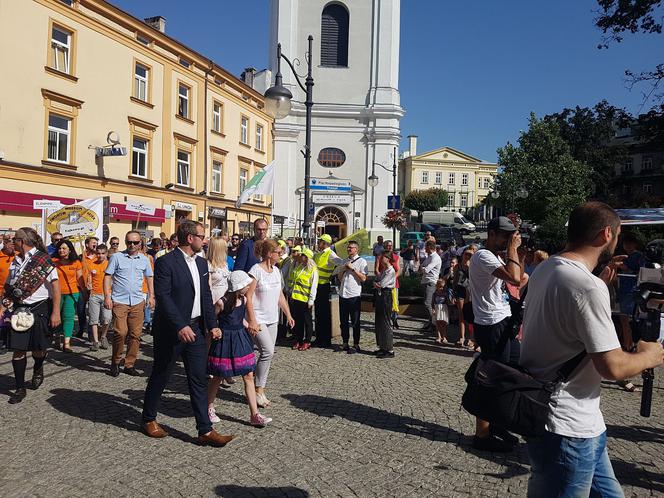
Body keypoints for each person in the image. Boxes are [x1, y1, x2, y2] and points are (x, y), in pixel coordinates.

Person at [520, 202, 664, 497]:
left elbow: (566, 324)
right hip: (567, 427)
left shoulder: (549, 268)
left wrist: (599, 282)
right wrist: (650, 355)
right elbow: (612, 367)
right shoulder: (586, 287)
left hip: (576, 421)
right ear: (606, 234)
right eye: (618, 235)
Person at [142, 220, 234, 447]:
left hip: (195, 328)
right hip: (172, 330)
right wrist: (180, 325)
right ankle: (148, 418)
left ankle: (205, 429)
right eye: (202, 236)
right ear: (190, 238)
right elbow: (164, 297)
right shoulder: (166, 262)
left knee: (198, 378)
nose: (205, 240)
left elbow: (205, 295)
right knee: (161, 374)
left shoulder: (202, 264)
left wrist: (212, 324)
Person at [468, 216, 522, 452]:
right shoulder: (483, 256)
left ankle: (498, 423)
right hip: (490, 323)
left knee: (511, 372)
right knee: (491, 378)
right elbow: (515, 277)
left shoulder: (496, 256)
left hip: (502, 319)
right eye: (504, 236)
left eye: (510, 236)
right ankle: (482, 434)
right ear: (491, 234)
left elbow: (518, 280)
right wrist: (513, 249)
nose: (508, 240)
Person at [207, 271, 272, 427]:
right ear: (238, 287)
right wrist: (215, 330)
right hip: (225, 340)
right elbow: (211, 320)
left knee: (248, 375)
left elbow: (239, 318)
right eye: (246, 285)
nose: (249, 287)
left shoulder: (242, 300)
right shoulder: (221, 303)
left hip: (240, 339)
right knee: (218, 376)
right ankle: (209, 407)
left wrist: (249, 326)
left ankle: (254, 414)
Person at [4, 228, 61, 404]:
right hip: (19, 309)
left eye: (15, 240)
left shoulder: (43, 260)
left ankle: (38, 367)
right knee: (18, 350)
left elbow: (56, 287)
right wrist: (3, 306)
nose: (12, 242)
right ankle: (20, 388)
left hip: (39, 309)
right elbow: (8, 287)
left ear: (23, 241)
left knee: (38, 349)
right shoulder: (15, 261)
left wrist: (56, 312)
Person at [248, 239, 294, 408]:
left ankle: (261, 388)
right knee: (267, 352)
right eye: (278, 251)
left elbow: (280, 295)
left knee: (269, 354)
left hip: (273, 318)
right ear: (269, 253)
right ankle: (257, 390)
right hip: (258, 319)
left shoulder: (276, 271)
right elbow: (249, 297)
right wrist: (252, 319)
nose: (281, 254)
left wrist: (288, 314)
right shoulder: (255, 271)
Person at [104, 231, 154, 377]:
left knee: (136, 334)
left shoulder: (145, 259)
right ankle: (116, 361)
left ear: (140, 244)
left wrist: (152, 296)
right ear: (125, 243)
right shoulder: (116, 257)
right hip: (119, 301)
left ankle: (129, 364)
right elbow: (107, 277)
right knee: (120, 332)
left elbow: (149, 278)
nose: (132, 245)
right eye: (129, 242)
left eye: (135, 242)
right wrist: (107, 296)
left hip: (138, 301)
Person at [331, 240, 368, 354]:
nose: (349, 249)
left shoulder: (362, 261)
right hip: (343, 293)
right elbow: (340, 278)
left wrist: (352, 269)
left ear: (356, 249)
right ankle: (345, 342)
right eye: (348, 248)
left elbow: (363, 278)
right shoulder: (345, 261)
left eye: (351, 248)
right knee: (343, 320)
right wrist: (343, 269)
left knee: (355, 321)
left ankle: (356, 344)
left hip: (354, 294)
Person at [54, 239, 85, 352]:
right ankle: (57, 337)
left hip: (72, 293)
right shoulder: (53, 261)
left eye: (64, 248)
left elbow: (79, 279)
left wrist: (85, 291)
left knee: (68, 317)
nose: (61, 250)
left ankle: (66, 343)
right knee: (57, 317)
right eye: (59, 248)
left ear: (69, 250)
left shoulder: (76, 262)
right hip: (56, 294)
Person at [289, 248, 318, 351]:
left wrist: (311, 300)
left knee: (307, 321)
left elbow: (314, 286)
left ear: (307, 258)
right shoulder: (300, 267)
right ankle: (299, 339)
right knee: (298, 320)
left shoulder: (313, 270)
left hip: (305, 299)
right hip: (296, 297)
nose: (300, 257)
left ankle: (307, 341)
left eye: (303, 255)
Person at [313, 234, 338, 347]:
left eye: (320, 242)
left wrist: (333, 274)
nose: (318, 243)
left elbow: (340, 263)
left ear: (325, 243)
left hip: (324, 286)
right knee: (318, 313)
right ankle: (319, 338)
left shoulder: (330, 253)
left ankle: (326, 339)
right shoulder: (319, 254)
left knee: (325, 314)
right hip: (317, 286)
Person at [86, 243, 111, 351]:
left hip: (107, 295)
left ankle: (103, 336)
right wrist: (89, 284)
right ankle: (95, 341)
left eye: (102, 253)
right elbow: (89, 277)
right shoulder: (91, 264)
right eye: (98, 253)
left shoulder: (110, 264)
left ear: (106, 253)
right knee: (94, 319)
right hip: (94, 295)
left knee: (106, 318)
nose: (100, 256)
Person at [373, 251, 396, 358]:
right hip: (381, 295)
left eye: (382, 258)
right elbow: (378, 281)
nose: (380, 260)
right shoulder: (384, 270)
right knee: (379, 322)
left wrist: (377, 284)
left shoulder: (390, 271)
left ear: (387, 258)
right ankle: (382, 347)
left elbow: (381, 284)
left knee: (386, 322)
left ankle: (389, 349)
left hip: (386, 296)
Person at [418, 240, 441, 333]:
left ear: (430, 247)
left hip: (431, 282)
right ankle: (430, 323)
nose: (424, 249)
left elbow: (426, 269)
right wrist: (422, 268)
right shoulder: (429, 257)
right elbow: (421, 267)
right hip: (425, 281)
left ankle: (434, 324)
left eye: (426, 247)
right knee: (428, 304)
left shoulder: (435, 257)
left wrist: (422, 268)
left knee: (427, 304)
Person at [453, 249, 474, 349]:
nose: (467, 256)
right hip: (460, 290)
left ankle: (471, 339)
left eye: (470, 255)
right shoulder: (458, 266)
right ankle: (462, 337)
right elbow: (455, 280)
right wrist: (453, 293)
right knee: (461, 315)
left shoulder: (473, 266)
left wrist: (470, 266)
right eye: (466, 254)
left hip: (470, 291)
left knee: (471, 316)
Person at [433, 278, 450, 345]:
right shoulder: (435, 294)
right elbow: (432, 302)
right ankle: (439, 336)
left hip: (443, 309)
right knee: (438, 323)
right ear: (436, 286)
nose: (441, 288)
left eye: (442, 287)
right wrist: (433, 309)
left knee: (443, 323)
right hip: (437, 308)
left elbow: (447, 302)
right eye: (440, 287)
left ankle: (444, 336)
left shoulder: (445, 294)